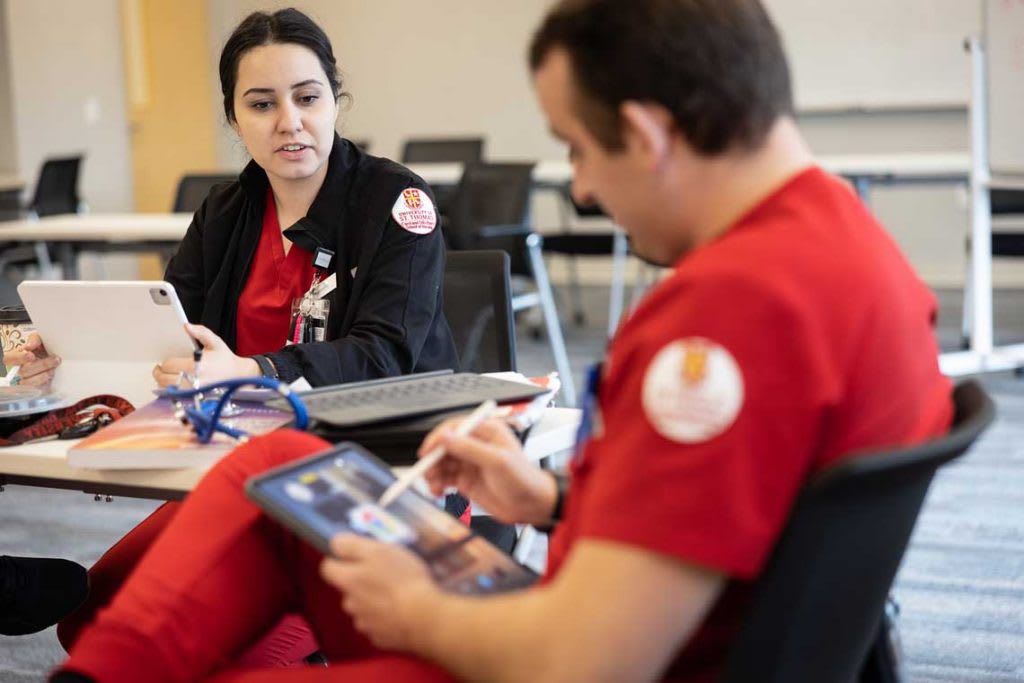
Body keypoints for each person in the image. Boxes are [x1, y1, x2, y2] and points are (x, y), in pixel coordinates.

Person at [51, 0, 954, 681]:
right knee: (272, 471)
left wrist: (415, 606)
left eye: (575, 149)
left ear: (643, 135)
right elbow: (739, 516)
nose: (584, 187)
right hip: (587, 601)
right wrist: (551, 495)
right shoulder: (852, 248)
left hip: (547, 651)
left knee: (215, 584)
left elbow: (585, 656)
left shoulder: (725, 320)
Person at [51, 6, 458, 668]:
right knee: (91, 616)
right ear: (235, 119)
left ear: (335, 101)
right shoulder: (228, 209)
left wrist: (256, 367)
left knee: (192, 654)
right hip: (239, 473)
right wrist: (69, 352)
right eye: (261, 103)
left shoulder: (395, 202)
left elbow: (385, 354)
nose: (289, 121)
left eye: (307, 97)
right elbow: (171, 330)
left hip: (372, 479)